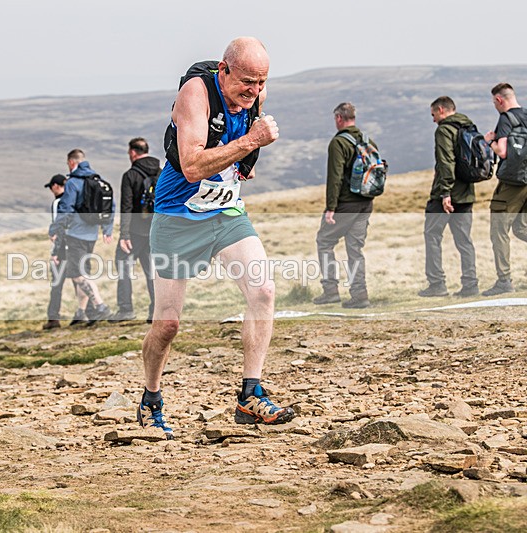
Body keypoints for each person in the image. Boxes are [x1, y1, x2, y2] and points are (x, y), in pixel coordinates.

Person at [139, 37, 295, 439]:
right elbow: (191, 166)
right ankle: (151, 397)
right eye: (246, 81)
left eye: (261, 83)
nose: (254, 91)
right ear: (223, 70)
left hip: (226, 213)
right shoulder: (196, 93)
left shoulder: (253, 91)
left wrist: (243, 161)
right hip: (178, 217)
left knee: (263, 290)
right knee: (168, 324)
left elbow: (239, 150)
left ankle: (250, 394)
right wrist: (250, 142)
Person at [312, 102, 376, 309]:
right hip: (366, 203)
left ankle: (330, 290)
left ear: (339, 118)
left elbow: (335, 177)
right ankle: (360, 295)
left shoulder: (339, 143)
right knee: (355, 248)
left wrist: (331, 207)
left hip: (346, 204)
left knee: (324, 241)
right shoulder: (368, 140)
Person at [418, 96, 478, 297]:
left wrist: (445, 193)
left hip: (446, 195)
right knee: (464, 241)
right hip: (467, 193)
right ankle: (470, 286)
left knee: (432, 235)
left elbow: (446, 162)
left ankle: (437, 285)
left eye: (433, 114)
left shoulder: (444, 130)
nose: (433, 119)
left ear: (441, 110)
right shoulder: (468, 127)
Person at [48, 149, 113, 325]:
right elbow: (110, 206)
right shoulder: (98, 181)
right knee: (84, 272)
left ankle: (100, 306)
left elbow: (66, 208)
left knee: (77, 274)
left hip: (75, 235)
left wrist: (54, 229)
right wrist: (107, 229)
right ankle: (81, 312)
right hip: (92, 235)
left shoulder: (73, 183)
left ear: (71, 162)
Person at [482, 83, 527, 296]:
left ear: (499, 100)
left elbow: (502, 151)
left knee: (499, 230)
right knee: (521, 228)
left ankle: (504, 281)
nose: (495, 106)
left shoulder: (506, 119)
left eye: (494, 102)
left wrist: (489, 141)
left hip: (512, 183)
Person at [110, 138, 159, 323]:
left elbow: (126, 207)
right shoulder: (161, 171)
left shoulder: (130, 175)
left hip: (135, 232)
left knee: (123, 266)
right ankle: (156, 311)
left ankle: (125, 310)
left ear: (132, 152)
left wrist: (124, 235)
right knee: (152, 271)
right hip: (154, 230)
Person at [44, 173, 68, 329]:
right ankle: (87, 312)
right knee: (79, 279)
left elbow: (57, 228)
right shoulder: (72, 201)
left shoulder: (58, 203)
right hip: (75, 246)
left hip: (62, 249)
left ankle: (53, 318)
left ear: (55, 186)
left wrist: (55, 253)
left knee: (57, 284)